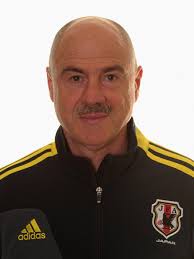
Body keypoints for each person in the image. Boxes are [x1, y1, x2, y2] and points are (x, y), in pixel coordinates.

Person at [0, 16, 193, 259]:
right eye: (76, 78)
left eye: (110, 77)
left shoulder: (187, 188)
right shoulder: (7, 192)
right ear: (51, 85)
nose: (92, 97)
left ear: (136, 82)